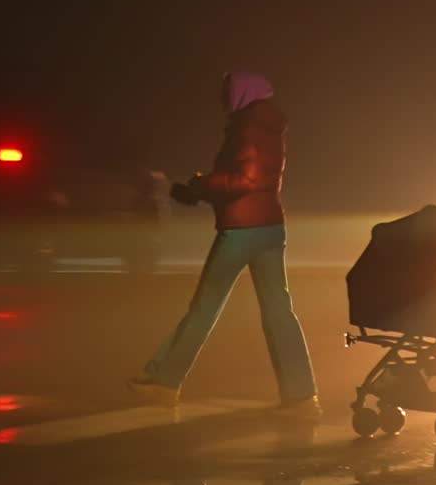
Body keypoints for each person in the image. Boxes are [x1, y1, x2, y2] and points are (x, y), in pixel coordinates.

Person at [127, 71, 318, 416]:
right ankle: (302, 396)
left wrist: (200, 186)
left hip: (242, 229)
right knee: (279, 311)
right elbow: (256, 179)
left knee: (205, 307)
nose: (224, 97)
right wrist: (204, 189)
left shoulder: (248, 127)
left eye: (228, 91)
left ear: (243, 93)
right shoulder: (269, 126)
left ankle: (164, 382)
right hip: (270, 226)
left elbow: (246, 178)